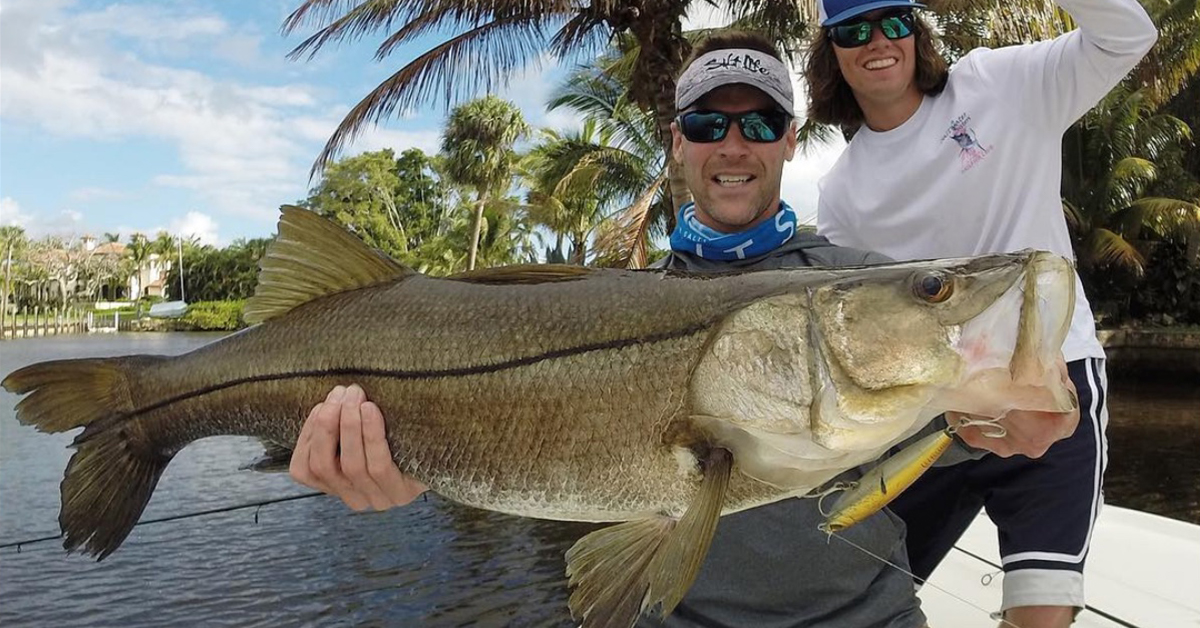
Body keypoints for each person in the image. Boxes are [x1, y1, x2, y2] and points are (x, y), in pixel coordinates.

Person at [290, 31, 1078, 626]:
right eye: (707, 123)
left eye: (762, 125)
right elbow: (502, 437)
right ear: (677, 143)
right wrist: (416, 463)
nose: (733, 146)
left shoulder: (858, 274)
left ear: (790, 145)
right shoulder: (616, 302)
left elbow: (988, 424)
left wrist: (1014, 418)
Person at [806, 0, 1157, 625]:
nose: (877, 41)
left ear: (915, 33)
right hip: (933, 417)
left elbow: (1128, 35)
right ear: (831, 54)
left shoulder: (998, 83)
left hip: (1052, 380)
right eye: (853, 30)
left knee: (1040, 612)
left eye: (893, 23)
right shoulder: (841, 195)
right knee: (854, 597)